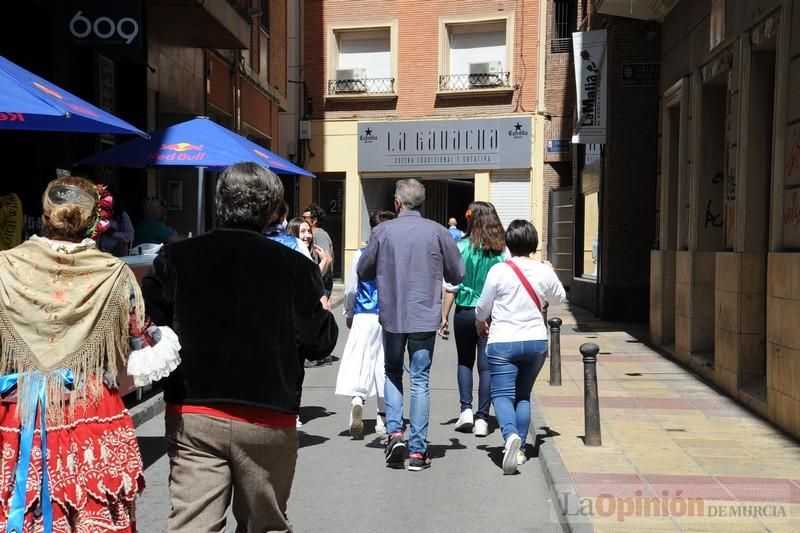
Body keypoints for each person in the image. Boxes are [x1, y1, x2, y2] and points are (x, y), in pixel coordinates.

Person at [143, 162, 337, 531]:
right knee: (264, 525)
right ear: (273, 211)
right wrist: (323, 313)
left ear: (220, 203)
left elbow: (148, 321)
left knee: (192, 524)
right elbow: (318, 343)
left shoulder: (176, 258)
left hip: (194, 410)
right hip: (268, 414)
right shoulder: (296, 267)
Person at [0, 176, 180, 531]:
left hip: (16, 413)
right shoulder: (114, 274)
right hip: (91, 411)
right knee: (93, 511)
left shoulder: (4, 266)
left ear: (45, 214)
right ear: (92, 220)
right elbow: (139, 344)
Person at [357, 178, 464, 471]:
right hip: (424, 316)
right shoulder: (438, 232)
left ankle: (395, 434)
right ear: (422, 202)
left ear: (397, 202)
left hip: (392, 315)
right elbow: (458, 274)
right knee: (420, 380)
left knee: (392, 371)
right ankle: (417, 452)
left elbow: (362, 270)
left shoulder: (382, 231)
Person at [475, 220, 566, 475]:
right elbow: (560, 297)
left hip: (503, 340)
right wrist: (550, 270)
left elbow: (481, 309)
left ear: (508, 242)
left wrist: (481, 323)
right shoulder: (542, 270)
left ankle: (510, 436)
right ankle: (522, 449)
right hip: (536, 341)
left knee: (502, 394)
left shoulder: (499, 271)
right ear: (534, 244)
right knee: (523, 394)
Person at [440, 202, 506, 437]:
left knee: (464, 361)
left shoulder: (461, 246)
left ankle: (465, 410)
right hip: (492, 314)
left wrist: (444, 316)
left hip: (464, 311)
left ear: (471, 220)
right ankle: (482, 418)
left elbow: (451, 286)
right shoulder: (501, 250)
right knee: (486, 367)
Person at [335, 210, 396, 439]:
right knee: (384, 364)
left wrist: (349, 311)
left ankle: (357, 400)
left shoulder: (360, 255)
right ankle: (382, 418)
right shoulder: (393, 256)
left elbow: (351, 288)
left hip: (363, 314)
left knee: (360, 359)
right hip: (387, 315)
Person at [302, 203, 334, 297]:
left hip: (322, 282)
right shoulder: (311, 235)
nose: (303, 220)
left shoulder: (319, 235)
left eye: (305, 218)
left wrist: (317, 279)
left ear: (314, 220)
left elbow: (328, 259)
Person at [98, 184, 135, 256]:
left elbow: (130, 236)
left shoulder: (122, 216)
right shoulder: (97, 215)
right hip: (100, 255)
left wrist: (113, 234)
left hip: (118, 256)